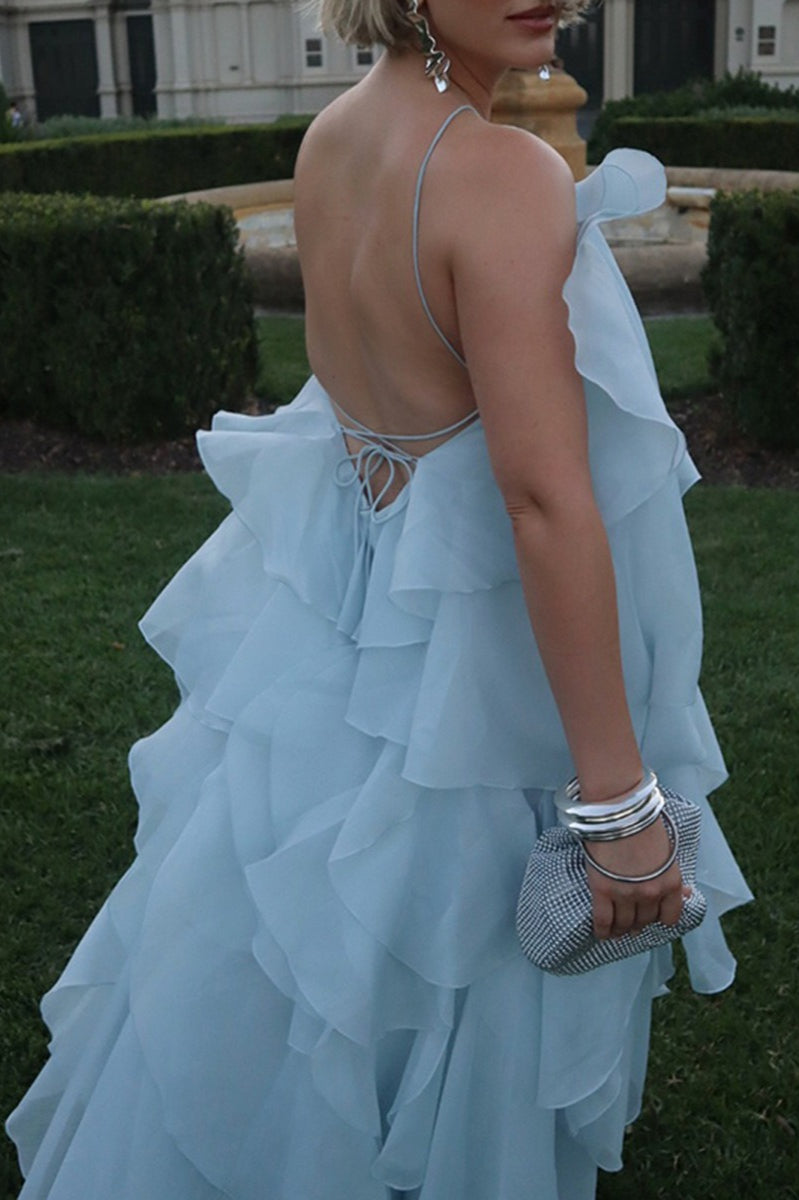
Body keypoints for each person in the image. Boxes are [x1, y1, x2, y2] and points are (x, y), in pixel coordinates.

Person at [6, 2, 751, 1198]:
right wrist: (617, 804)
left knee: (321, 980)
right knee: (449, 983)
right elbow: (542, 501)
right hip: (475, 677)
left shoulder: (334, 138)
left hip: (354, 638)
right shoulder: (499, 173)